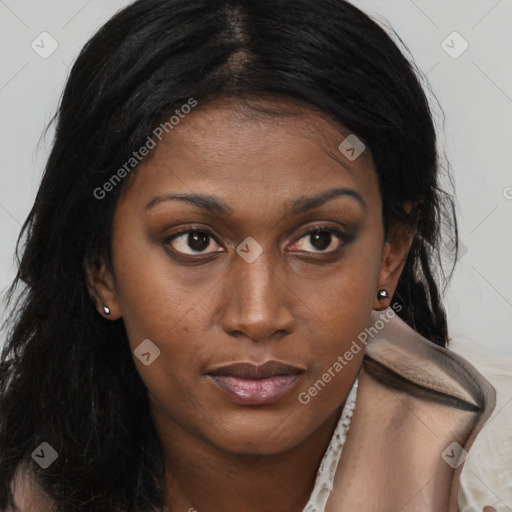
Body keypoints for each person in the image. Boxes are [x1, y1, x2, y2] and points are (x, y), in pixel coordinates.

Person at [0, 0, 506, 510]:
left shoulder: (495, 473)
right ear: (100, 268)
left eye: (319, 239)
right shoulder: (26, 474)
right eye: (194, 241)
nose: (259, 316)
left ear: (390, 253)